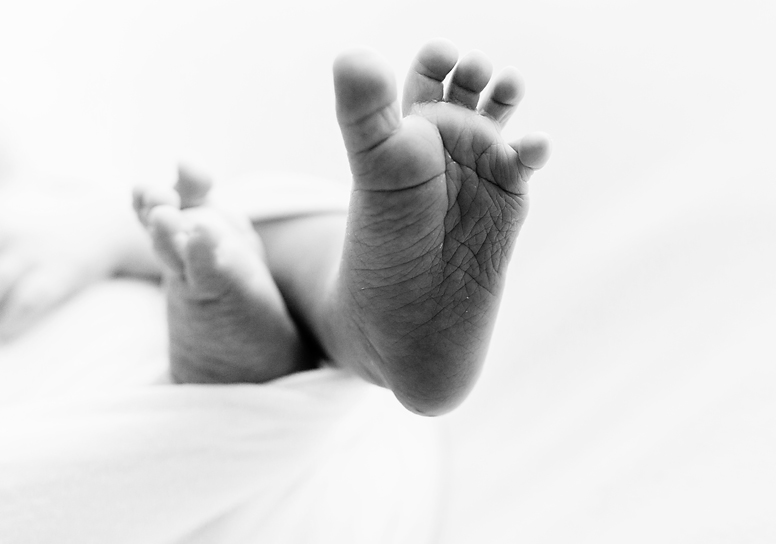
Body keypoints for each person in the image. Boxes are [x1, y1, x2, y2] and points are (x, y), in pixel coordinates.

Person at [0, 39, 550, 416]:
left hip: (79, 248)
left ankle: (356, 315)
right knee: (208, 235)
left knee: (213, 227)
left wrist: (101, 229)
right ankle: (258, 323)